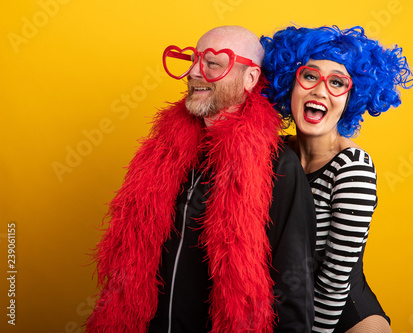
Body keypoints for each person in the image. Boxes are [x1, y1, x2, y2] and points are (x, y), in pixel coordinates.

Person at [85, 25, 317, 333]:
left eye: (213, 63)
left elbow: (293, 288)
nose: (195, 72)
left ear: (249, 79)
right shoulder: (163, 151)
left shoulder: (277, 164)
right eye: (194, 60)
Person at [261, 26, 413, 333]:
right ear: (289, 82)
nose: (320, 91)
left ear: (351, 98)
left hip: (342, 318)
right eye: (309, 76)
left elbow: (333, 281)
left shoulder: (352, 168)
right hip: (285, 315)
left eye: (337, 83)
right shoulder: (273, 152)